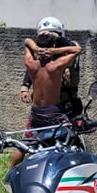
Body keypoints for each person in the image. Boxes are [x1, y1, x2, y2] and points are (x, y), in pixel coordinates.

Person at [10, 28, 82, 168]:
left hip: (36, 113)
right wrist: (54, 52)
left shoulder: (30, 64)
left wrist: (35, 48)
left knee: (24, 145)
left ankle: (10, 174)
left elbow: (26, 42)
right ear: (52, 47)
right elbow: (77, 50)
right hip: (54, 113)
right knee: (71, 139)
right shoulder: (56, 66)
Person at [19, 16, 82, 117]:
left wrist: (56, 41)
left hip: (66, 101)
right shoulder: (41, 55)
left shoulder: (66, 53)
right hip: (44, 106)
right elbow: (33, 68)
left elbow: (76, 49)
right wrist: (25, 87)